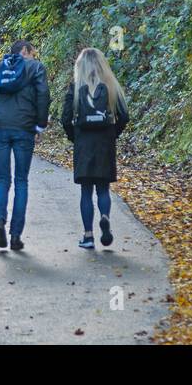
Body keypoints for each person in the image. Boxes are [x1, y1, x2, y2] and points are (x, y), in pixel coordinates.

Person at [0, 39, 50, 251]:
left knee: (2, 179)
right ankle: (15, 235)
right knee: (21, 181)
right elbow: (43, 95)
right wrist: (40, 125)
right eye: (33, 53)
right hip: (25, 128)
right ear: (25, 51)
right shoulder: (35, 68)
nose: (34, 57)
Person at [60, 48, 129, 250]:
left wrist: (75, 137)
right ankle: (105, 217)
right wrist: (112, 133)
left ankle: (88, 236)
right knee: (103, 188)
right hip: (105, 144)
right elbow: (124, 116)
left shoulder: (76, 87)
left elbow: (65, 119)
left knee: (86, 191)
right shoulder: (111, 86)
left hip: (84, 144)